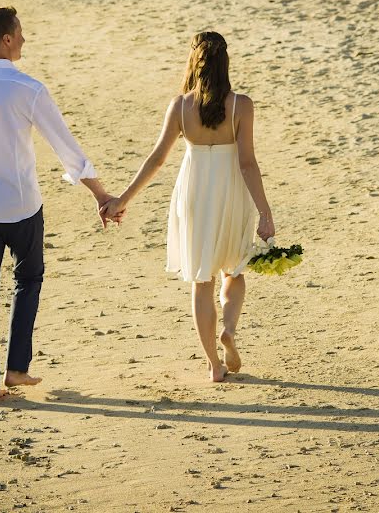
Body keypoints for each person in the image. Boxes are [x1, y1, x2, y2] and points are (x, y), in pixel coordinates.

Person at [0, 6, 117, 405]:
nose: (24, 39)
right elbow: (66, 148)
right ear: (6, 39)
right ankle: (16, 368)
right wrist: (101, 195)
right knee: (28, 281)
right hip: (22, 207)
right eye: (20, 32)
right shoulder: (28, 89)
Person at [102, 31, 275, 382]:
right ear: (225, 62)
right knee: (235, 270)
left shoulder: (180, 106)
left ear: (193, 62)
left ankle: (213, 365)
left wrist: (123, 199)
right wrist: (265, 212)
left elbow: (157, 159)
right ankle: (228, 328)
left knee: (202, 281)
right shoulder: (242, 105)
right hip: (231, 191)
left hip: (194, 193)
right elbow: (247, 164)